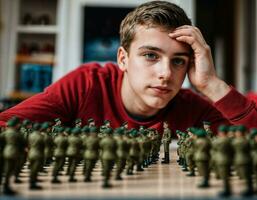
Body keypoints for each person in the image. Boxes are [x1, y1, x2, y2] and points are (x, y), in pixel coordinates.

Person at [0, 1, 256, 132]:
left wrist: (211, 85)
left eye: (178, 61)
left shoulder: (192, 108)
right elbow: (6, 125)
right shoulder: (85, 85)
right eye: (150, 56)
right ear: (122, 58)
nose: (165, 74)